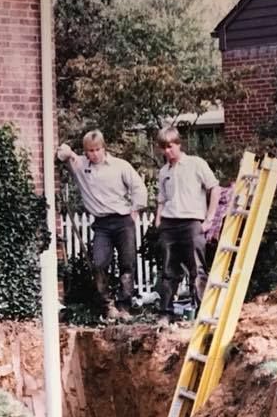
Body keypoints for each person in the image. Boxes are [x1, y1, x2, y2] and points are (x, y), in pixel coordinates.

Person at [58, 130, 147, 320]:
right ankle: (108, 305)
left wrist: (135, 209)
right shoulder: (80, 165)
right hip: (101, 224)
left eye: (97, 149)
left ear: (104, 148)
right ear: (85, 151)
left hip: (123, 220)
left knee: (127, 263)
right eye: (90, 151)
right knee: (99, 263)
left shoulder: (120, 166)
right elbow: (61, 152)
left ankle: (124, 306)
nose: (94, 154)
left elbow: (138, 187)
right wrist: (71, 154)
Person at [155, 127, 221, 325]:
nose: (167, 151)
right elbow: (162, 199)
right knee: (168, 271)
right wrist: (158, 219)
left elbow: (214, 188)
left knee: (197, 268)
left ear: (178, 144)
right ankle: (166, 313)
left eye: (170, 146)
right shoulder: (164, 171)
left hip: (191, 223)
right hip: (169, 224)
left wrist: (209, 219)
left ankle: (202, 312)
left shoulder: (195, 164)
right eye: (163, 148)